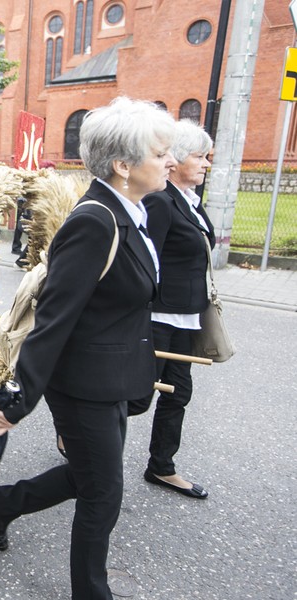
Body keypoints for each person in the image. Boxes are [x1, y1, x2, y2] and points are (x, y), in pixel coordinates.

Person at [0, 97, 175, 600]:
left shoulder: (133, 210)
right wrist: (15, 401)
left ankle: (3, 502)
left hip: (113, 378)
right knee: (104, 492)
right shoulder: (95, 221)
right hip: (82, 385)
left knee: (89, 475)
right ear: (123, 165)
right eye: (161, 152)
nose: (170, 160)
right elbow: (54, 319)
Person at [136, 119, 215, 499]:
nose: (205, 164)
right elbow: (145, 261)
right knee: (136, 397)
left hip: (185, 318)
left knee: (178, 393)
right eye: (199, 156)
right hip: (157, 316)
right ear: (178, 159)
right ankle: (77, 437)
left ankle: (161, 467)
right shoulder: (161, 201)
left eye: (206, 157)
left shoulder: (192, 203)